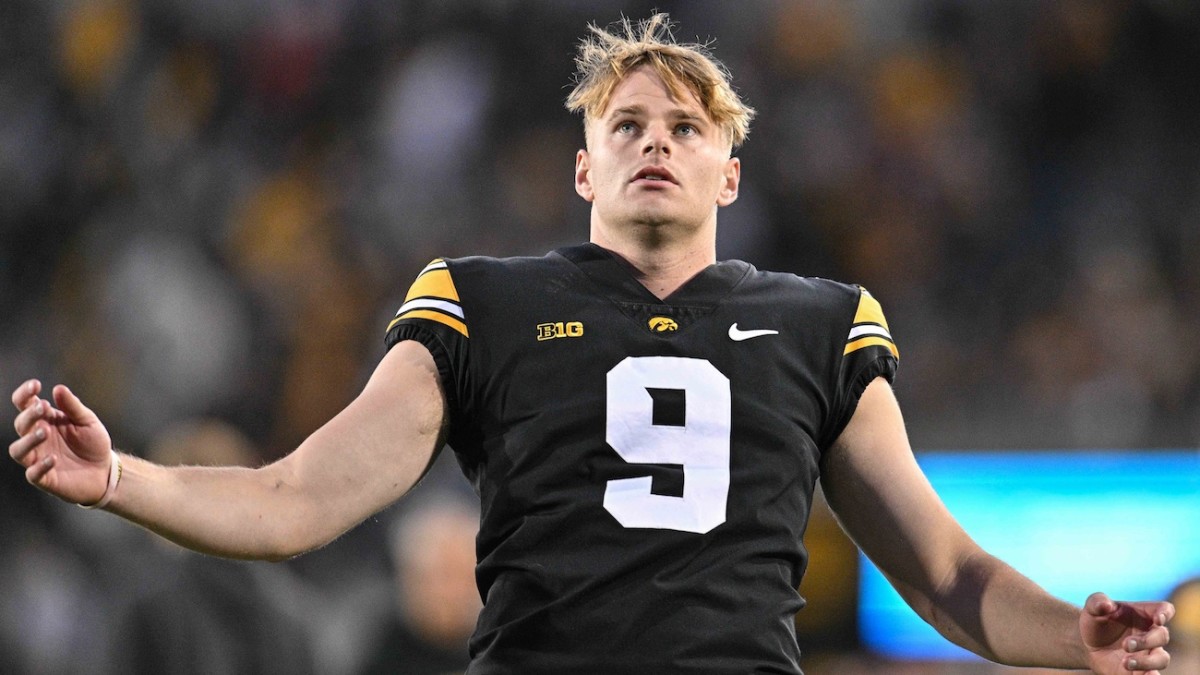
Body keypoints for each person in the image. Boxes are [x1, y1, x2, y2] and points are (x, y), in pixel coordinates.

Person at [6, 13, 1176, 675]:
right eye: (625, 123)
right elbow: (298, 496)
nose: (653, 140)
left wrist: (1073, 640)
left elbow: (947, 574)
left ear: (732, 168)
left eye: (684, 124)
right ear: (584, 167)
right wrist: (122, 480)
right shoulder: (480, 304)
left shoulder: (823, 324)